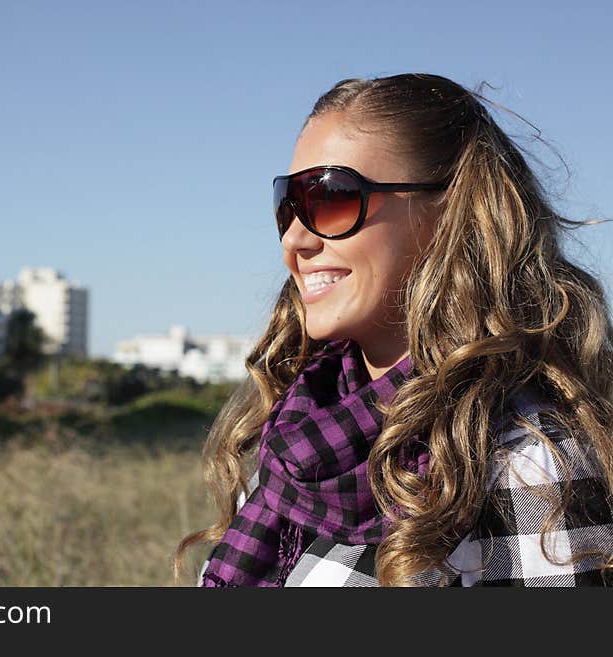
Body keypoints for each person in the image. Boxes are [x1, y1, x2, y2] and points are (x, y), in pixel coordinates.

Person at [173, 72, 613, 587]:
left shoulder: (525, 464)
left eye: (330, 196)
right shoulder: (296, 436)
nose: (294, 238)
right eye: (287, 204)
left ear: (451, 213)